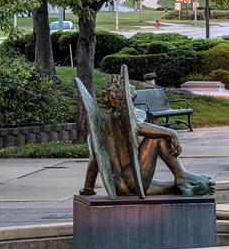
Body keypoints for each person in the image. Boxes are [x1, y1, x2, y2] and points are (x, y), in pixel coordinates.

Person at [78, 68, 214, 198]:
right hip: (133, 178)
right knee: (157, 138)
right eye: (128, 86)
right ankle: (181, 175)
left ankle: (185, 187)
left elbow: (95, 159)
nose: (132, 88)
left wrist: (88, 189)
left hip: (119, 186)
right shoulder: (124, 118)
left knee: (171, 188)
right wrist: (172, 133)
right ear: (123, 96)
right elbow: (140, 127)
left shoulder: (99, 127)